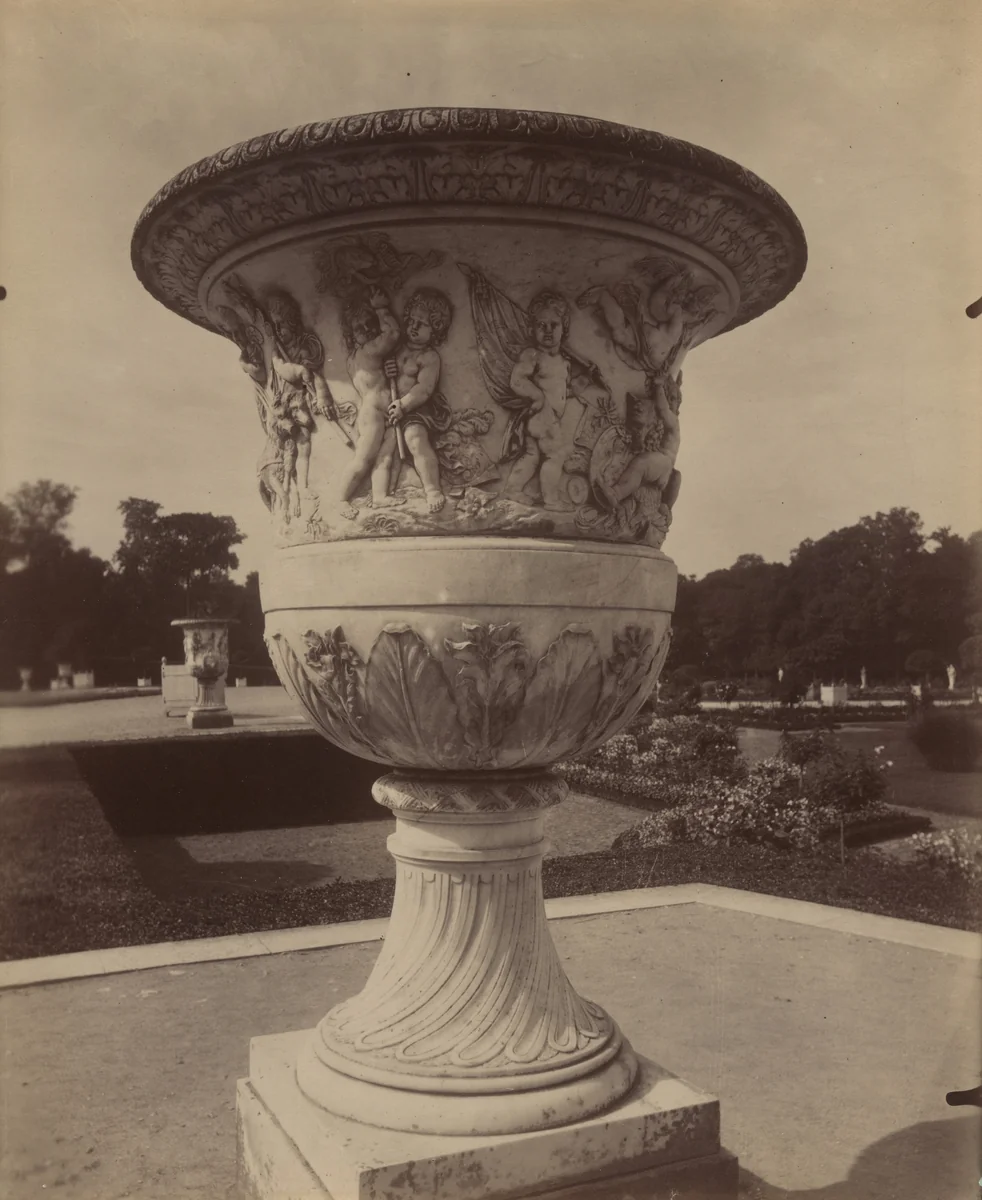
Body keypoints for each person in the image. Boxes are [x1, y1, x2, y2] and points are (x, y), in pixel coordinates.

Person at [379, 288, 454, 513]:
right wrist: (387, 369)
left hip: (418, 409)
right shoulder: (399, 349)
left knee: (415, 439)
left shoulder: (429, 357)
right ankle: (382, 492)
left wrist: (404, 405)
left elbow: (424, 388)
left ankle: (432, 490)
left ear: (436, 328)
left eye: (422, 323)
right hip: (393, 407)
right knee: (383, 446)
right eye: (411, 320)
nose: (413, 326)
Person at [502, 291, 579, 509]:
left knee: (532, 455)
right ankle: (552, 500)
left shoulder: (563, 361)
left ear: (564, 328)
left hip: (546, 417)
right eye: (541, 325)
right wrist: (538, 396)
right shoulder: (533, 355)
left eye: (553, 325)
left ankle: (512, 489)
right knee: (556, 454)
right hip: (542, 414)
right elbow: (517, 380)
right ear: (531, 329)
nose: (547, 330)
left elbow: (563, 388)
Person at [336, 288, 403, 519]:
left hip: (382, 409)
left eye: (369, 323)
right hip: (373, 411)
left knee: (384, 457)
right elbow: (393, 334)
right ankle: (342, 499)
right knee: (363, 459)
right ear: (352, 335)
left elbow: (373, 376)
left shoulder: (359, 356)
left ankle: (380, 496)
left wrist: (387, 369)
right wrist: (381, 309)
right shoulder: (368, 351)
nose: (367, 330)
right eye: (359, 328)